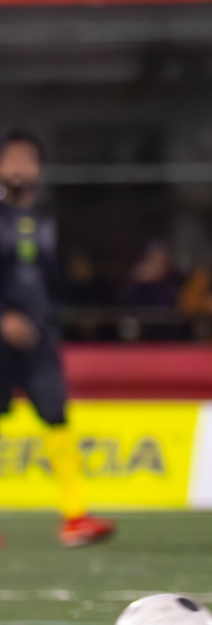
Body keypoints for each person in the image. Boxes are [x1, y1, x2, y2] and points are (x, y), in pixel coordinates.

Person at [0, 130, 115, 547]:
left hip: (39, 335)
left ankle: (75, 516)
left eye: (27, 159)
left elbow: (48, 280)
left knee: (57, 417)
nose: (18, 167)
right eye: (10, 158)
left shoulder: (45, 219)